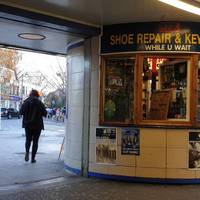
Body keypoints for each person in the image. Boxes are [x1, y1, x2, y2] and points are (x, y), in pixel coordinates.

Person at [20, 89, 47, 163]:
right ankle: (33, 158)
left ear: (30, 94)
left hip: (27, 125)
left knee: (28, 140)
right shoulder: (40, 103)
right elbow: (45, 113)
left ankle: (27, 152)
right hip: (37, 125)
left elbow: (20, 112)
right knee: (35, 142)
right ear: (37, 95)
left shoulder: (25, 102)